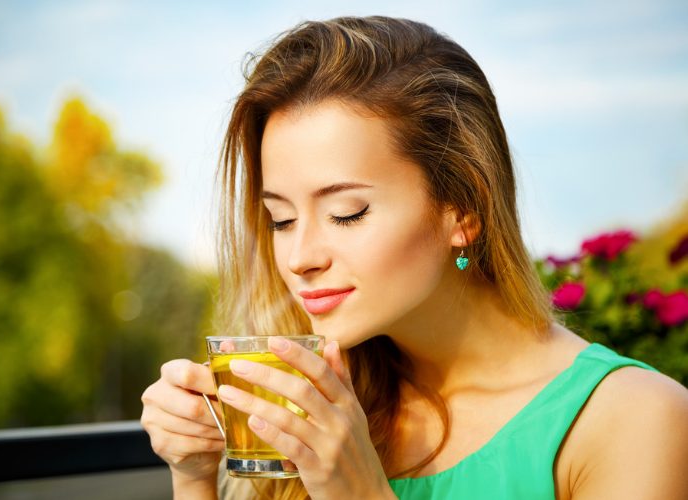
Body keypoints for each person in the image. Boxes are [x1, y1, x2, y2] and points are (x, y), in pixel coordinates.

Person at [140, 15, 688, 499]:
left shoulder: (635, 421)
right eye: (280, 219)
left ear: (464, 208)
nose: (300, 256)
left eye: (347, 212)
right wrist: (193, 477)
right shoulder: (325, 404)